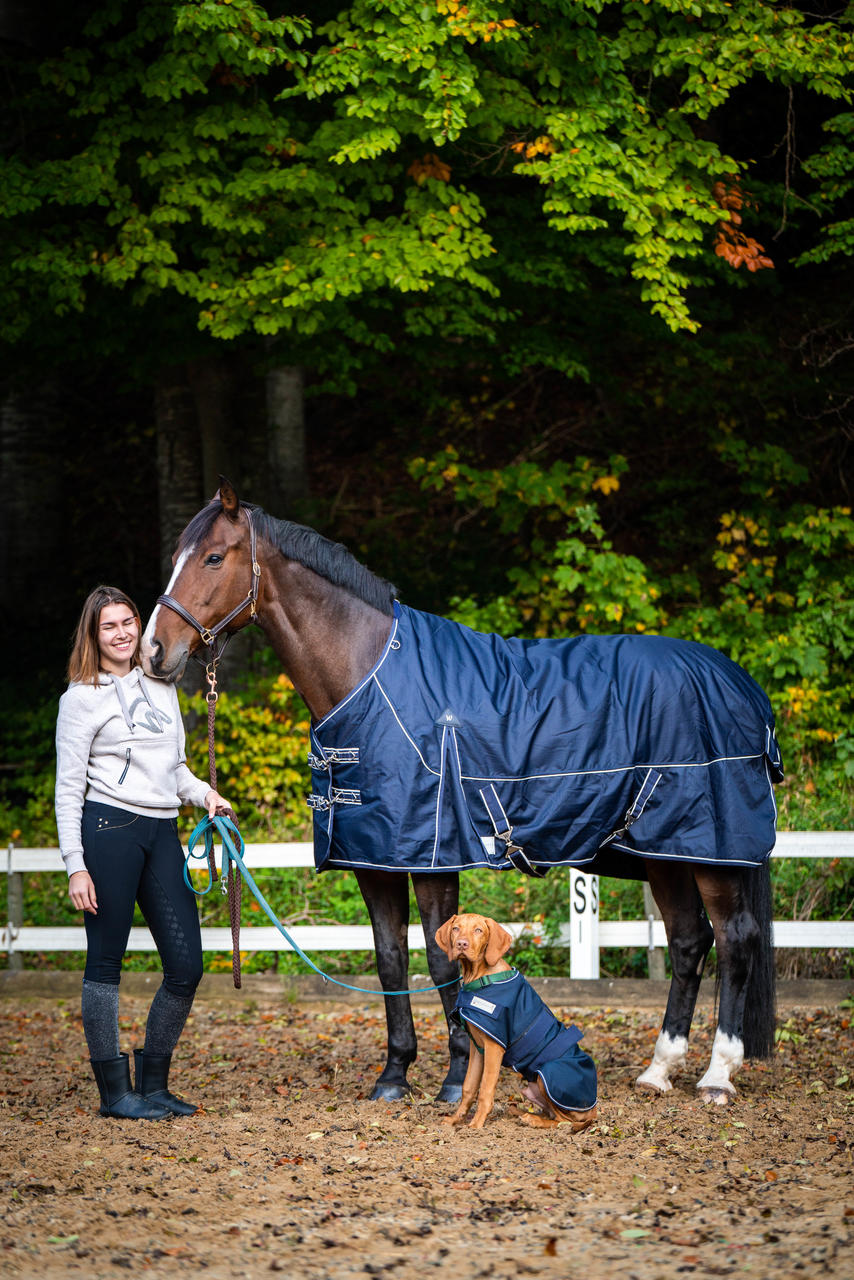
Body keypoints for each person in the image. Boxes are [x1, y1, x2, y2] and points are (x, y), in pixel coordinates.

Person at [55, 585, 231, 1120]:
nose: (122, 632)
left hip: (162, 832)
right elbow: (68, 787)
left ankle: (153, 1083)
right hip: (107, 829)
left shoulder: (162, 685)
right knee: (105, 963)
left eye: (128, 621)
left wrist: (207, 795)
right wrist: (75, 865)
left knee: (187, 964)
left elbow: (174, 769)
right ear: (94, 634)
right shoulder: (80, 698)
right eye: (109, 626)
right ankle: (115, 1092)